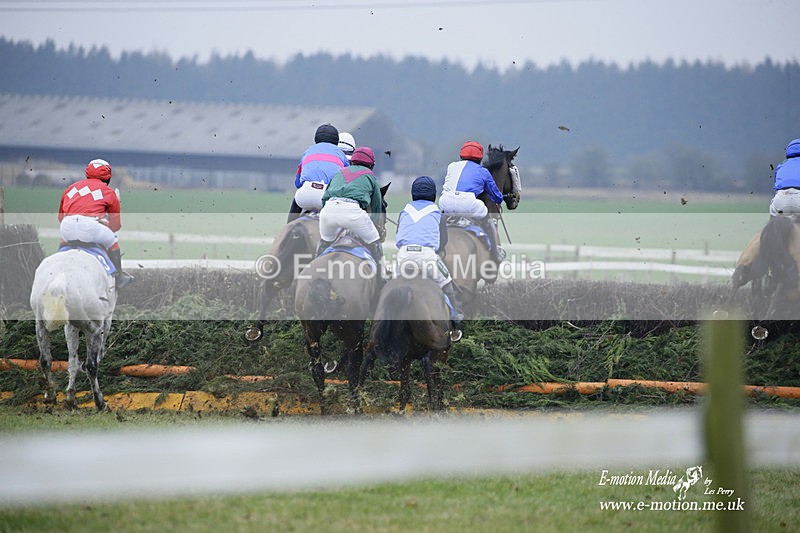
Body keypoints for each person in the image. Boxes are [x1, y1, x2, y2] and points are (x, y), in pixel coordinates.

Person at [395, 176, 464, 339]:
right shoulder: (438, 213)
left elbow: (399, 236)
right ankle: (456, 322)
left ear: (413, 194)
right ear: (434, 195)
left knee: (390, 284)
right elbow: (442, 242)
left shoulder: (404, 211)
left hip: (403, 256)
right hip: (427, 257)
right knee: (447, 285)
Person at [58, 158, 135, 289]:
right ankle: (119, 277)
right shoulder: (109, 193)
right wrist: (104, 223)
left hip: (67, 226)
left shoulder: (70, 188)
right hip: (90, 228)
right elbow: (115, 226)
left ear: (87, 173)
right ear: (108, 176)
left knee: (64, 239)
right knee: (112, 240)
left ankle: (58, 267)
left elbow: (61, 217)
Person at [317, 146, 387, 279]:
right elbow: (377, 206)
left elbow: (324, 198)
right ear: (371, 165)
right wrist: (374, 224)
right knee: (374, 240)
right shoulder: (370, 176)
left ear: (352, 161)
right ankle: (381, 278)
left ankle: (315, 266)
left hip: (328, 210)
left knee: (324, 242)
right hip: (352, 212)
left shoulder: (340, 172)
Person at [439, 140, 505, 263]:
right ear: (480, 158)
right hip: (468, 203)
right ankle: (495, 254)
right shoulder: (483, 171)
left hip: (445, 202)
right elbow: (497, 196)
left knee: (438, 221)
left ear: (461, 156)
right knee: (490, 221)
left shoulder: (451, 166)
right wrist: (499, 198)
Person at [287, 124, 349, 223]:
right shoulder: (341, 154)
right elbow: (347, 182)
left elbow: (298, 183)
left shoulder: (307, 152)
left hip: (305, 196)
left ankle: (287, 229)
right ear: (336, 141)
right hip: (327, 199)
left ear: (316, 139)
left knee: (296, 200)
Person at [770, 138, 800, 217]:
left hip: (781, 199)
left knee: (772, 222)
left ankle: (771, 229)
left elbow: (776, 187)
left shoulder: (781, 165)